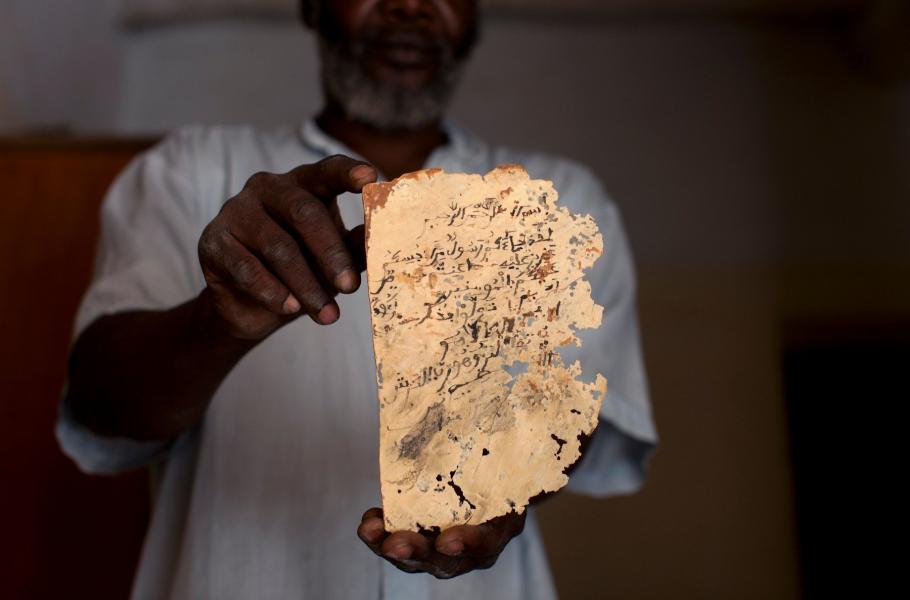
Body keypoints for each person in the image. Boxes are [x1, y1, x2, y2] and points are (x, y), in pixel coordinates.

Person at [58, 0, 657, 597]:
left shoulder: (559, 200)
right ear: (312, 7)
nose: (410, 6)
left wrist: (509, 473)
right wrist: (218, 323)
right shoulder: (187, 172)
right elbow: (100, 403)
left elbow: (579, 411)